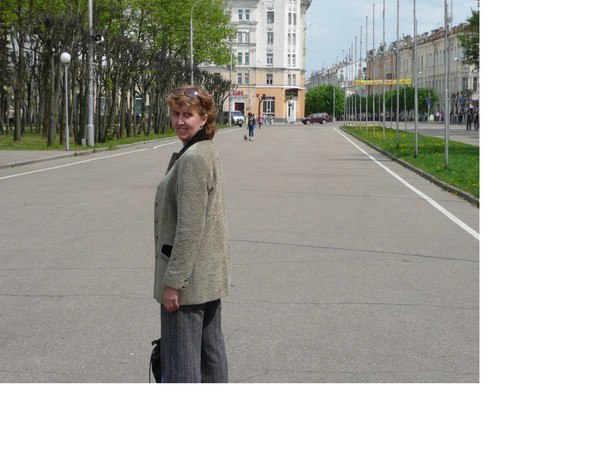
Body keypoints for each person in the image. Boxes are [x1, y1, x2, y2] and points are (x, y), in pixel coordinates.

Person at [154, 85, 231, 383]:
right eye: (175, 114)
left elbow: (189, 228)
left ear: (204, 118)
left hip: (188, 284)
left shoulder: (194, 158)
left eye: (188, 115)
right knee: (210, 357)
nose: (180, 121)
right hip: (206, 277)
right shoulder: (204, 150)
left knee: (182, 366)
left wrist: (173, 284)